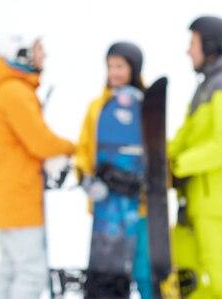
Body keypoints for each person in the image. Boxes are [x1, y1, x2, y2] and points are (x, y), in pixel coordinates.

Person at [0, 34, 76, 299]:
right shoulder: (15, 92)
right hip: (20, 198)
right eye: (38, 50)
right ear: (22, 54)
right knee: (31, 273)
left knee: (12, 269)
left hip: (12, 197)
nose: (43, 55)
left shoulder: (13, 91)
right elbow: (41, 142)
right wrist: (77, 148)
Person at [169, 16, 222, 299]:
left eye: (193, 43)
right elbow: (187, 138)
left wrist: (180, 165)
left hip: (218, 206)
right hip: (195, 203)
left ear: (211, 46)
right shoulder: (206, 87)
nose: (188, 51)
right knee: (191, 287)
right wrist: (160, 156)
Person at [75, 42, 152, 299]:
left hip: (139, 209)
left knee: (143, 270)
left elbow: (159, 151)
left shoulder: (147, 106)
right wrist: (86, 179)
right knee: (108, 274)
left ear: (134, 68)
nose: (114, 73)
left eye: (120, 66)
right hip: (106, 208)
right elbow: (84, 151)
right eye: (110, 67)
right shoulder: (98, 107)